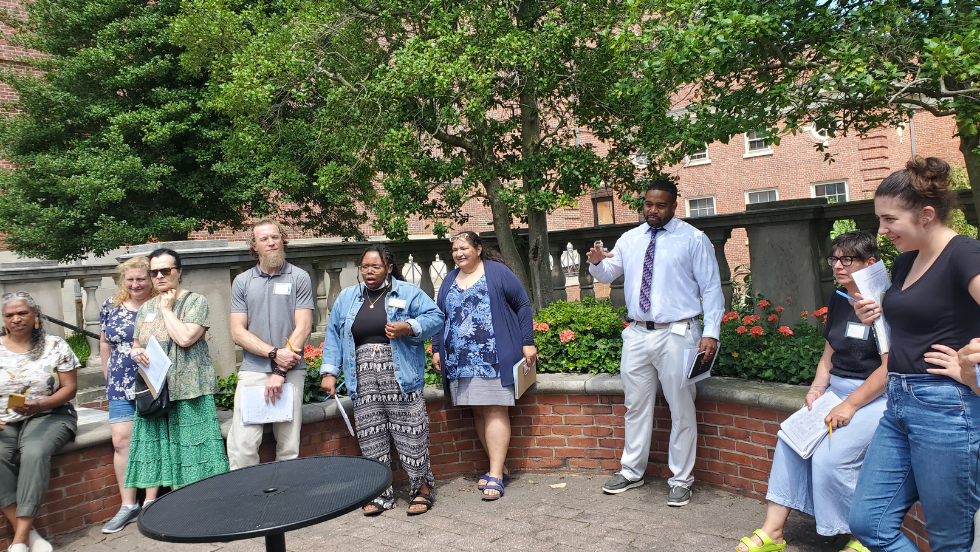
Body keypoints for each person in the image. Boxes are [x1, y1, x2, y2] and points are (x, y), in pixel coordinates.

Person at [849, 157, 980, 551]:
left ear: (925, 215)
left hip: (947, 409)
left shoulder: (965, 254)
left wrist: (971, 372)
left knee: (948, 540)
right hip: (899, 403)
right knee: (868, 524)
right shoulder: (906, 261)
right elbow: (918, 321)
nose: (881, 230)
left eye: (889, 220)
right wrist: (874, 315)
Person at [736, 231, 887, 552]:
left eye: (848, 259)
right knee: (790, 442)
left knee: (830, 460)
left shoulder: (885, 302)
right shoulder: (840, 298)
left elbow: (889, 368)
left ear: (870, 263)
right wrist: (818, 387)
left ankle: (862, 539)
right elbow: (830, 352)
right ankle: (773, 533)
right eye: (835, 259)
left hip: (874, 397)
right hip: (836, 391)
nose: (838, 266)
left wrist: (848, 406)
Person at [587, 179, 723, 506]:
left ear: (674, 206)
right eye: (649, 204)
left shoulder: (693, 239)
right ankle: (631, 471)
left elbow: (712, 288)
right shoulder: (630, 239)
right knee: (635, 405)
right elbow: (608, 274)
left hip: (678, 332)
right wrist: (595, 262)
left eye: (660, 205)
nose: (653, 210)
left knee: (681, 407)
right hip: (637, 333)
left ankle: (680, 479)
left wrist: (711, 332)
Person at [321, 244, 444, 515]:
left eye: (375, 267)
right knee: (371, 435)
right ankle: (380, 494)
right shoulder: (347, 297)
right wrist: (329, 372)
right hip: (362, 376)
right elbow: (332, 335)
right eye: (364, 267)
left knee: (411, 433)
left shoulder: (408, 292)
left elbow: (436, 318)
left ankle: (420, 488)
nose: (369, 272)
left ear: (388, 268)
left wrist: (409, 326)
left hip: (400, 375)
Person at [431, 232, 537, 501]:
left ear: (478, 249)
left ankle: (496, 475)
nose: (459, 253)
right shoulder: (449, 280)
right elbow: (438, 315)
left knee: (494, 409)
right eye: (455, 249)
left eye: (464, 248)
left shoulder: (497, 272)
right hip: (460, 360)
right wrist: (436, 348)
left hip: (493, 356)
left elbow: (522, 305)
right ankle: (498, 468)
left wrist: (528, 342)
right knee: (478, 412)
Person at [126, 248, 229, 495]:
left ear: (179, 272)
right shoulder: (145, 308)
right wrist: (135, 353)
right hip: (157, 388)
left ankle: (206, 498)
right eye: (154, 272)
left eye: (166, 270)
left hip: (189, 388)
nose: (159, 276)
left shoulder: (196, 301)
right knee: (160, 449)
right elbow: (136, 345)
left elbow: (184, 339)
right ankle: (169, 503)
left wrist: (166, 310)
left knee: (195, 449)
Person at [227, 220, 313, 469]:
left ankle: (284, 501)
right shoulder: (242, 282)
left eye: (275, 237)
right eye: (264, 239)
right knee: (243, 445)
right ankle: (246, 498)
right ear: (254, 246)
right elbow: (237, 332)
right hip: (253, 369)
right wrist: (274, 353)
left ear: (282, 240)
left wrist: (280, 370)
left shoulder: (299, 277)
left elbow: (304, 327)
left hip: (291, 371)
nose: (271, 242)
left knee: (288, 446)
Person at [0, 292, 78, 552]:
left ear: (35, 315)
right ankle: (29, 534)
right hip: (6, 420)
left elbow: (69, 388)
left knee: (34, 451)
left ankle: (19, 540)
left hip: (50, 414)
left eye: (22, 313)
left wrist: (40, 405)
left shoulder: (55, 345)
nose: (16, 319)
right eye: (9, 315)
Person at [98, 256, 156, 533]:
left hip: (150, 382)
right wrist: (108, 378)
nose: (134, 284)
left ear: (151, 279)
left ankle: (151, 502)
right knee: (121, 440)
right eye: (130, 279)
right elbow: (104, 343)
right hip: (119, 384)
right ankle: (127, 504)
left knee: (150, 438)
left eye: (140, 278)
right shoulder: (111, 306)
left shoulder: (159, 305)